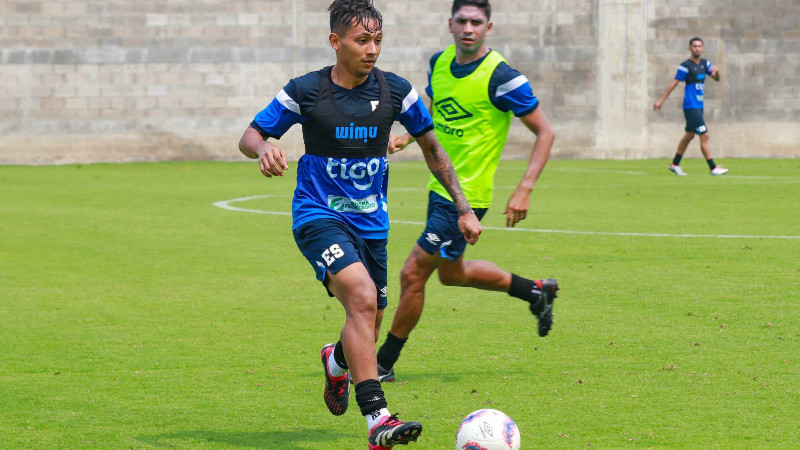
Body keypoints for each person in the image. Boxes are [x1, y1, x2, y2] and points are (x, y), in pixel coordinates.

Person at [238, 1, 481, 448]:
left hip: (371, 224)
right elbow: (249, 136)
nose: (372, 50)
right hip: (317, 216)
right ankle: (378, 418)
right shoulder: (306, 90)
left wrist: (463, 207)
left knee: (369, 316)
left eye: (378, 41)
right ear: (336, 42)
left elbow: (431, 147)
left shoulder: (397, 92)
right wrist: (265, 147)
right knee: (364, 297)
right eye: (362, 40)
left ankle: (337, 362)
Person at [375, 0, 559, 383]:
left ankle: (383, 363)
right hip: (438, 186)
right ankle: (535, 292)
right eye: (462, 21)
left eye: (477, 22)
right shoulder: (439, 63)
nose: (468, 28)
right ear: (450, 24)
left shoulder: (502, 76)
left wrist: (524, 189)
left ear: (488, 27)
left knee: (412, 274)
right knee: (451, 274)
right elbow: (436, 110)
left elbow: (546, 131)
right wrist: (408, 136)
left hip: (468, 198)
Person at [653, 37, 728, 176]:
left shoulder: (705, 63)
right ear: (690, 48)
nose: (697, 48)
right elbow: (674, 83)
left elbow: (716, 78)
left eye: (699, 46)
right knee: (704, 135)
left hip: (699, 106)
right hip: (691, 106)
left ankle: (675, 164)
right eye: (694, 46)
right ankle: (713, 167)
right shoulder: (685, 66)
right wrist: (661, 101)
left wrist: (717, 72)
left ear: (702, 48)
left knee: (689, 135)